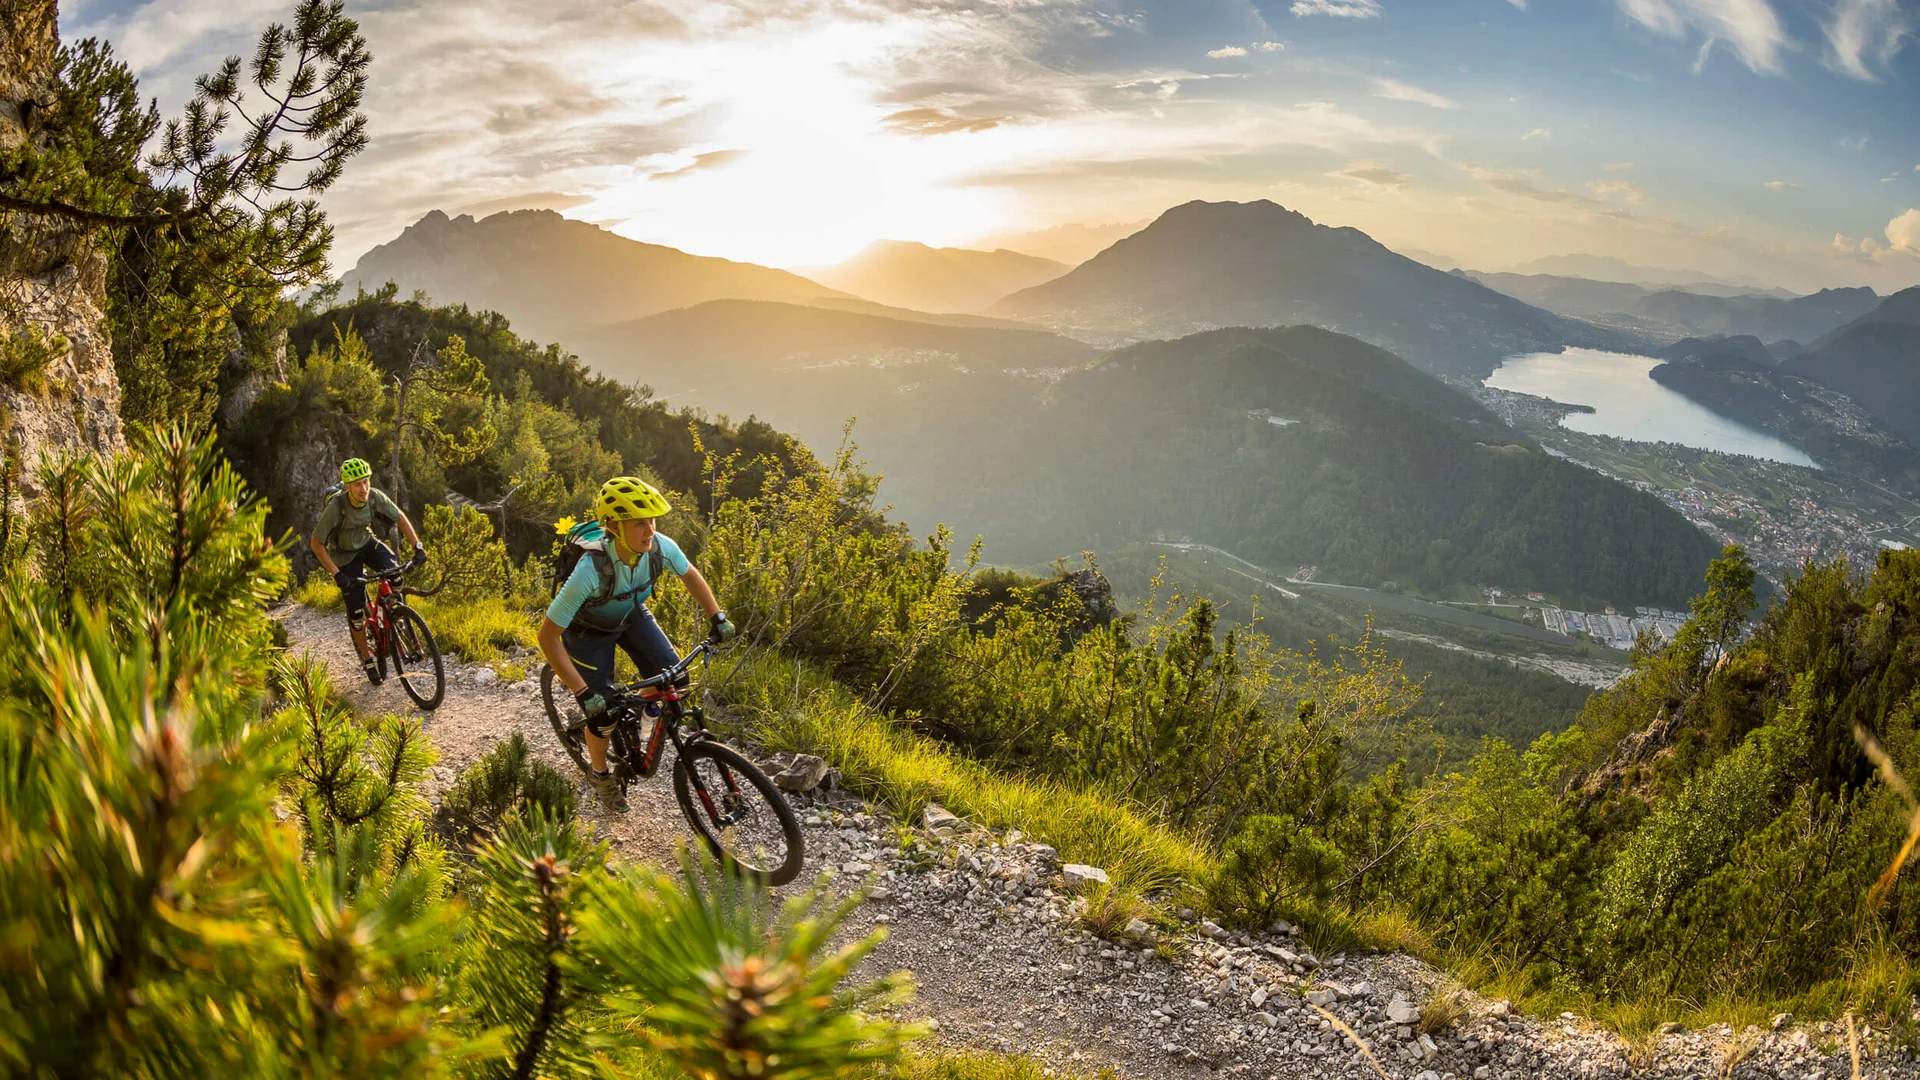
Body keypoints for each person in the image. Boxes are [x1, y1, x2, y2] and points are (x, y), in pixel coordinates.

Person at [537, 475, 735, 812]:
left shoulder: (660, 548)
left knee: (675, 680)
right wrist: (585, 695)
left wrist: (717, 617)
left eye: (652, 520)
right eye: (639, 523)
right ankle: (600, 775)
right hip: (587, 633)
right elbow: (547, 637)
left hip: (630, 614)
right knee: (602, 717)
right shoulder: (590, 571)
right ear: (613, 526)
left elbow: (690, 575)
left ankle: (638, 725)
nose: (649, 530)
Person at [308, 458, 427, 685]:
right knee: (356, 614)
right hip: (344, 556)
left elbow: (400, 517)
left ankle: (396, 615)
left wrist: (417, 546)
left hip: (367, 543)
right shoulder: (336, 508)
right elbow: (316, 543)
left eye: (365, 482)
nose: (363, 489)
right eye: (357, 485)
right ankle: (367, 659)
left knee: (395, 575)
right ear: (347, 487)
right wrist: (337, 574)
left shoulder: (374, 497)